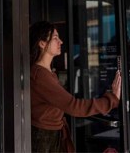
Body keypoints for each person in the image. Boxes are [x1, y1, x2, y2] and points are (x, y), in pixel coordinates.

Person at [30, 21, 121, 152]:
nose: (60, 41)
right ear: (42, 43)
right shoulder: (40, 76)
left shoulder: (47, 74)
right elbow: (73, 106)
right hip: (44, 142)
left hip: (49, 139)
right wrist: (111, 100)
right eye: (55, 38)